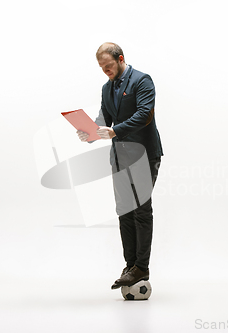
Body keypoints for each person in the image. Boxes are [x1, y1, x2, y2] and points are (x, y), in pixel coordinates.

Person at [77, 42, 163, 289]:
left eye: (109, 65)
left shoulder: (142, 80)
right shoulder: (107, 88)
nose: (106, 71)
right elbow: (104, 118)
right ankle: (130, 266)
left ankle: (142, 267)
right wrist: (90, 132)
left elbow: (144, 114)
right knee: (124, 211)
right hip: (119, 158)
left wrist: (114, 131)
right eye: (102, 68)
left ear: (120, 58)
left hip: (144, 155)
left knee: (141, 211)